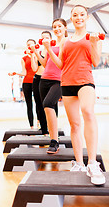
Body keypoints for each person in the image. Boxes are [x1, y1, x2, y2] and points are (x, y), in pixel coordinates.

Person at [43, 5, 105, 185]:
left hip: (85, 80)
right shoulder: (65, 41)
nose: (78, 17)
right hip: (67, 83)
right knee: (75, 124)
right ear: (72, 18)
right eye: (75, 15)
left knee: (88, 112)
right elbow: (61, 64)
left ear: (87, 17)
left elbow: (95, 61)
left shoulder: (93, 37)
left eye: (82, 14)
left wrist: (93, 43)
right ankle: (79, 163)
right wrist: (48, 48)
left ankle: (92, 163)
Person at [30, 19, 67, 154]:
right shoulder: (50, 44)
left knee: (48, 103)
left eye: (59, 26)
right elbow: (45, 63)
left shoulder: (65, 42)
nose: (57, 28)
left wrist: (49, 49)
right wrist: (36, 51)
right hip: (44, 79)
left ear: (65, 28)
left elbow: (61, 63)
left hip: (58, 80)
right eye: (54, 27)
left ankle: (54, 141)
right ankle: (52, 137)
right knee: (46, 108)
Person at [8, 39, 37, 129]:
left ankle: (40, 123)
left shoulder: (38, 56)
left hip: (36, 82)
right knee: (29, 105)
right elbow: (24, 73)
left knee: (38, 104)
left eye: (31, 44)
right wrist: (16, 73)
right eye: (28, 44)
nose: (29, 46)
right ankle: (31, 126)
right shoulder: (23, 58)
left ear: (35, 45)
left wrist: (33, 55)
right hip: (27, 83)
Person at [30, 42, 48, 135]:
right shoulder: (38, 52)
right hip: (37, 78)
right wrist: (33, 56)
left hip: (49, 79)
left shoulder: (52, 50)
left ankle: (50, 127)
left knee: (49, 104)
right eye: (42, 37)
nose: (44, 39)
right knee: (39, 105)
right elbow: (34, 69)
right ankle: (44, 129)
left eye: (47, 37)